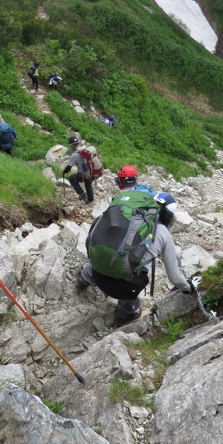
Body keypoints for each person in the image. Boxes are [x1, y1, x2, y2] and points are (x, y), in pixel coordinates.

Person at [77, 192, 192, 325]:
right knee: (133, 273)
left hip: (97, 273)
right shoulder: (164, 234)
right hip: (122, 289)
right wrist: (188, 287)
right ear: (170, 216)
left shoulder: (129, 218)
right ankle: (125, 313)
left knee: (113, 255)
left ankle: (83, 277)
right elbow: (175, 278)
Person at [62, 136, 94, 204]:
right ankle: (90, 199)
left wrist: (64, 171)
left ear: (72, 145)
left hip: (84, 174)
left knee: (71, 179)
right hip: (91, 171)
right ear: (78, 143)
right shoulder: (85, 149)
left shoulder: (74, 155)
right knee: (88, 183)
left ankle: (82, 194)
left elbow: (69, 168)